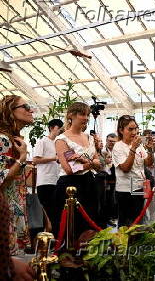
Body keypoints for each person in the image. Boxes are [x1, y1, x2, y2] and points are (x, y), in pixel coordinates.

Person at [0, 95, 35, 279]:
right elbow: (1, 180)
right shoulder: (3, 140)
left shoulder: (13, 139)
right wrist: (21, 159)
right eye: (26, 106)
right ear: (10, 111)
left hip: (15, 212)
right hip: (6, 216)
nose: (31, 110)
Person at [54, 102, 101, 239]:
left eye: (87, 115)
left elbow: (99, 164)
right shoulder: (61, 139)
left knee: (91, 220)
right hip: (70, 186)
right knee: (71, 224)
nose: (85, 118)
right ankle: (68, 255)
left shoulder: (89, 138)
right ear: (71, 116)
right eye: (82, 114)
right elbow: (69, 169)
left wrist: (85, 161)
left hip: (90, 183)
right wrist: (91, 163)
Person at [112, 115, 154, 227]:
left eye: (136, 128)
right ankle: (124, 244)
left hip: (139, 187)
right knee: (126, 226)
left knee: (139, 223)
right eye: (130, 129)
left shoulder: (139, 145)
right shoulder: (118, 147)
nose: (134, 132)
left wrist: (150, 150)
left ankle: (137, 243)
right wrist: (133, 148)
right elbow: (125, 168)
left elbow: (149, 163)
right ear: (121, 130)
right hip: (125, 191)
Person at [33, 119, 63, 228]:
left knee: (55, 212)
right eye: (58, 128)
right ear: (51, 128)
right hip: (44, 181)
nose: (60, 131)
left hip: (56, 180)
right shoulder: (42, 141)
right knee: (47, 212)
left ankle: (55, 238)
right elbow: (35, 160)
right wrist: (54, 158)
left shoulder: (58, 143)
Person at [103, 133, 117, 225]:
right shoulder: (102, 151)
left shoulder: (117, 151)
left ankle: (114, 217)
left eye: (113, 141)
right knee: (106, 198)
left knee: (114, 199)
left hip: (116, 178)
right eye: (110, 141)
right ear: (106, 141)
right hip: (104, 178)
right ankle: (106, 218)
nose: (111, 143)